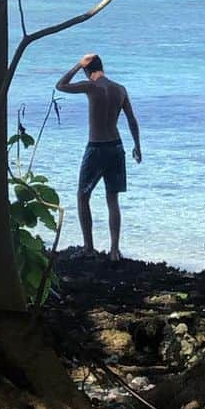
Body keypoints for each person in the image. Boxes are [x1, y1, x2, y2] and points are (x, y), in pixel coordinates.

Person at [56, 53, 141, 261]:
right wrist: (138, 146)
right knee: (112, 199)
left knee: (83, 196)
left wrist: (77, 64)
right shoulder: (120, 89)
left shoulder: (90, 86)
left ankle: (88, 247)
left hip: (96, 148)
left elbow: (60, 85)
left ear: (88, 70)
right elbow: (132, 120)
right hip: (116, 147)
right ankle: (114, 250)